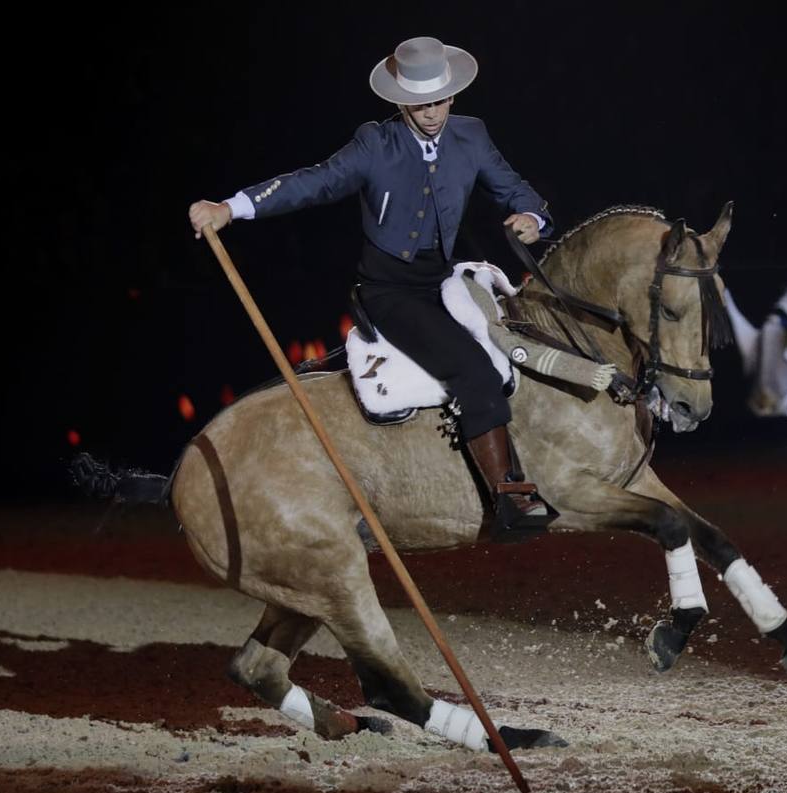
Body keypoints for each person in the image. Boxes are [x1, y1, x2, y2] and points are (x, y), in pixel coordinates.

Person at [189, 36, 554, 539]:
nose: (431, 113)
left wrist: (532, 216)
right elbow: (312, 182)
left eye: (439, 101)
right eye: (420, 103)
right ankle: (509, 497)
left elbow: (516, 188)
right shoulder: (374, 145)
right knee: (472, 369)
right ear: (402, 101)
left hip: (446, 277)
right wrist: (231, 207)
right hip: (390, 290)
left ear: (453, 96)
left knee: (520, 342)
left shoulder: (472, 136)